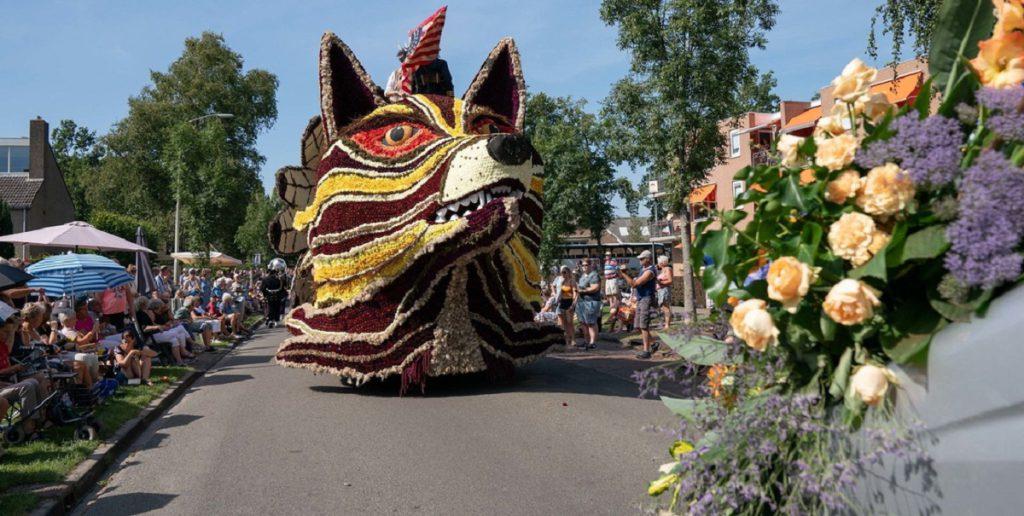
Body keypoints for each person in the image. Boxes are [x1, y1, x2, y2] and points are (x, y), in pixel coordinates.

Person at [619, 250, 658, 359]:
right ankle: (654, 343)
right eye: (639, 258)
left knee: (643, 326)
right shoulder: (642, 269)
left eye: (642, 258)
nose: (639, 260)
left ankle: (646, 351)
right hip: (641, 299)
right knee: (637, 325)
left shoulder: (649, 271)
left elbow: (634, 284)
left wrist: (624, 274)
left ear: (648, 259)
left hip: (646, 299)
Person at [575, 258, 603, 349]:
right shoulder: (582, 276)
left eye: (586, 265)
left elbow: (595, 288)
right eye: (582, 265)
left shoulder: (594, 275)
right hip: (581, 302)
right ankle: (586, 342)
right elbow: (578, 288)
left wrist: (582, 290)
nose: (584, 267)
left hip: (591, 301)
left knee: (591, 323)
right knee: (583, 323)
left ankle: (592, 342)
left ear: (590, 265)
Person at [551, 265, 577, 348]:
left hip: (569, 302)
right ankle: (566, 339)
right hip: (560, 302)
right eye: (562, 272)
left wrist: (574, 303)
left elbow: (575, 292)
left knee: (570, 322)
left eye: (564, 272)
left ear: (568, 272)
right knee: (563, 323)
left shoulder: (571, 281)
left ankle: (573, 339)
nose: (563, 274)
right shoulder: (558, 279)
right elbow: (552, 285)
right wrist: (554, 293)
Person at [603, 252, 623, 332]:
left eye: (608, 255)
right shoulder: (605, 262)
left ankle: (614, 303)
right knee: (608, 293)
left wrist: (619, 275)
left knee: (614, 292)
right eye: (606, 255)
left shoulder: (613, 261)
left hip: (613, 278)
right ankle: (611, 304)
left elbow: (617, 269)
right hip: (607, 279)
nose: (607, 256)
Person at [656, 255, 674, 330]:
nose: (658, 264)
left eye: (659, 262)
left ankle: (667, 325)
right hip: (661, 290)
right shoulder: (663, 270)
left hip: (664, 290)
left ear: (663, 262)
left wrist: (661, 283)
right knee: (664, 308)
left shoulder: (667, 269)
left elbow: (670, 281)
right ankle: (667, 323)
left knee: (666, 308)